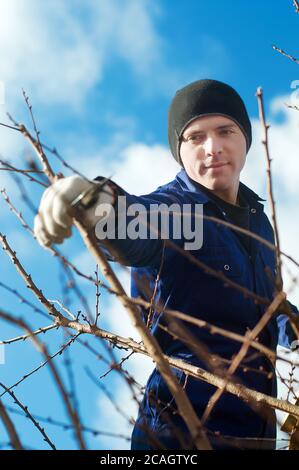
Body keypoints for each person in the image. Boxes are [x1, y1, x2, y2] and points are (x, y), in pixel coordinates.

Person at [34, 79, 298, 450]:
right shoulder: (175, 213)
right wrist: (92, 201)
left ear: (246, 139)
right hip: (179, 435)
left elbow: (270, 304)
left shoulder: (258, 223)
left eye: (225, 131)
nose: (212, 148)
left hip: (256, 435)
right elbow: (132, 227)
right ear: (180, 149)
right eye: (195, 137)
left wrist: (293, 327)